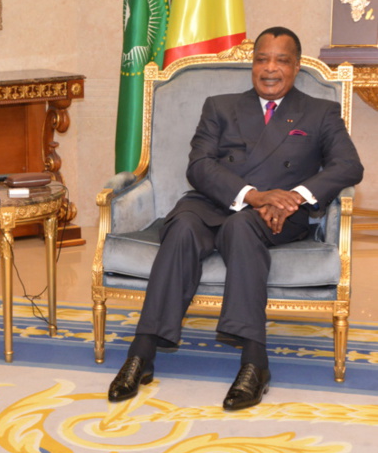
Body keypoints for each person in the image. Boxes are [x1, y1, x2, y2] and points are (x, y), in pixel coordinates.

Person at [107, 27, 364, 411]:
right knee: (180, 228)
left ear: (296, 67)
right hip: (215, 200)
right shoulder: (221, 106)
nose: (270, 68)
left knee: (242, 227)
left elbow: (348, 166)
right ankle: (142, 353)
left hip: (278, 216)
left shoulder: (319, 111)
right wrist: (254, 195)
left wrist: (294, 197)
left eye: (281, 60)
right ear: (252, 63)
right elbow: (200, 166)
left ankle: (254, 362)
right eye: (262, 59)